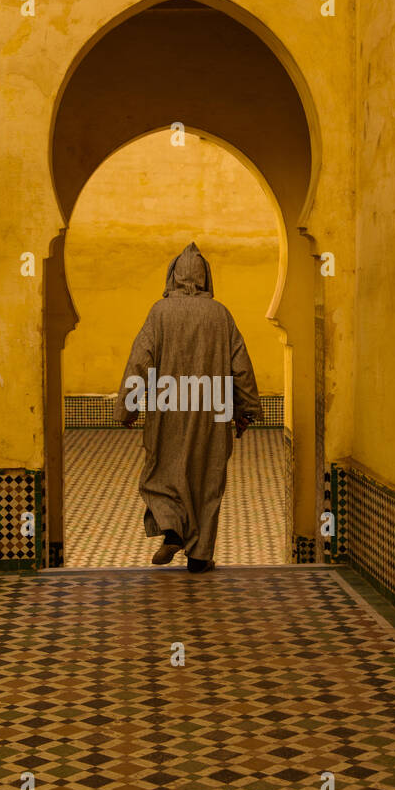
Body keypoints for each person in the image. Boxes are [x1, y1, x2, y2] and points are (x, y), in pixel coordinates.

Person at [114, 242, 261, 572]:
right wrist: (245, 410)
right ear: (206, 277)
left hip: (169, 409)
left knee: (162, 473)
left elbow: (141, 361)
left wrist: (128, 406)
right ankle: (200, 556)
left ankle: (172, 528)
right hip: (215, 409)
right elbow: (241, 367)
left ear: (173, 276)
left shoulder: (160, 313)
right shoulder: (221, 315)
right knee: (208, 482)